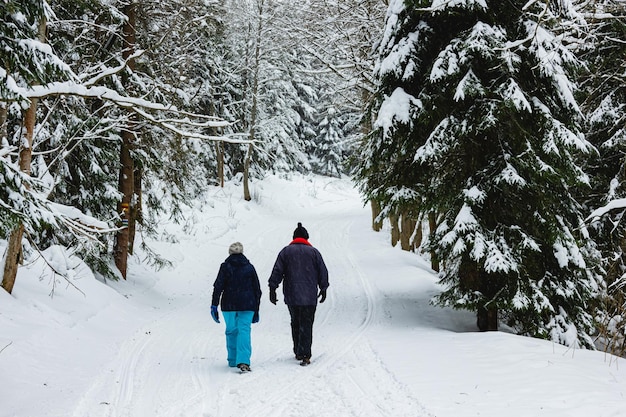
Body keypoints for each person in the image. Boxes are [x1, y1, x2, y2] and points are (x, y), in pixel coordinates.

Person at [268, 222, 329, 366]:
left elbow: (277, 271)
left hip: (292, 295)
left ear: (294, 237)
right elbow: (323, 272)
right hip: (309, 297)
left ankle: (298, 350)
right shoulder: (314, 253)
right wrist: (324, 288)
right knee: (307, 323)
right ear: (307, 238)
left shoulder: (286, 252)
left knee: (295, 322)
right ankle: (305, 354)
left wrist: (272, 288)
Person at [211, 242, 261, 372]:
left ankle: (232, 360)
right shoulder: (249, 267)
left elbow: (218, 286)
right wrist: (256, 308)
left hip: (229, 304)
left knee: (231, 330)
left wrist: (214, 305)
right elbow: (257, 290)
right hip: (248, 304)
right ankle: (243, 360)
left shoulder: (225, 267)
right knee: (244, 330)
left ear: (229, 253)